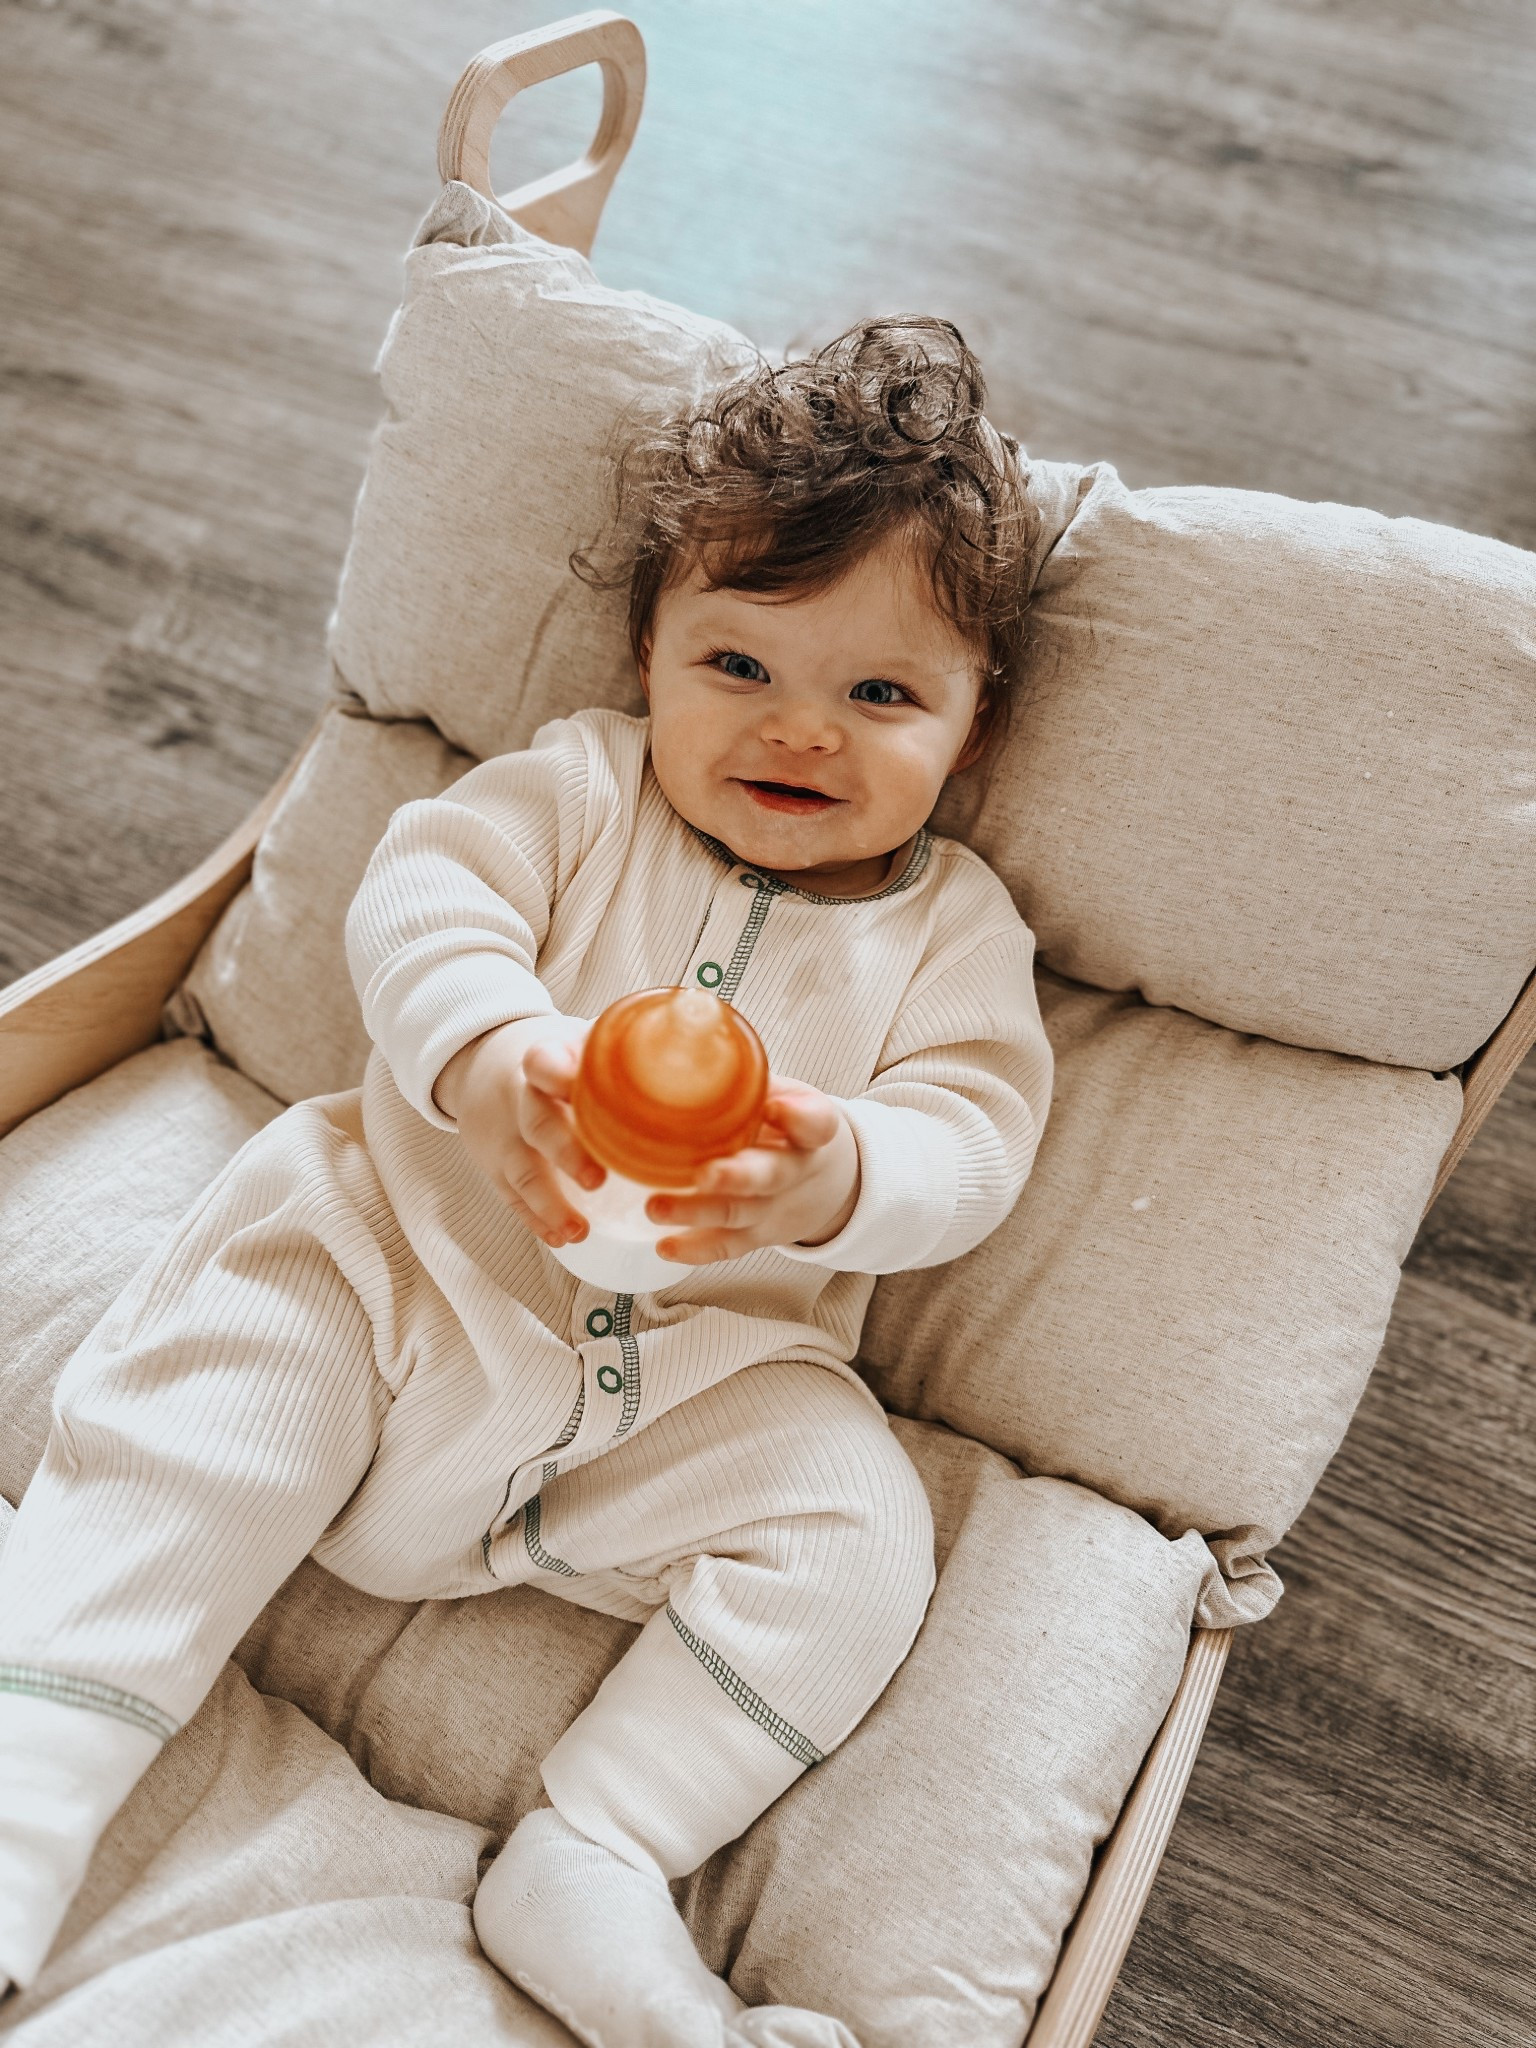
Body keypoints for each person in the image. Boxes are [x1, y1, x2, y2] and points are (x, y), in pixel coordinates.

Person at [0, 317, 1054, 2047]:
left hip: (682, 1383)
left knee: (856, 1528)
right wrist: (493, 1056)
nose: (801, 732)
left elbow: (980, 1140)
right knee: (211, 1400)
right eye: (738, 664)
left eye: (880, 694)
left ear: (973, 724)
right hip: (397, 1265)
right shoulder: (578, 789)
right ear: (650, 650)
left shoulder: (956, 939)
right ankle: (39, 1759)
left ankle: (599, 1850)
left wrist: (841, 1174)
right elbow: (424, 907)